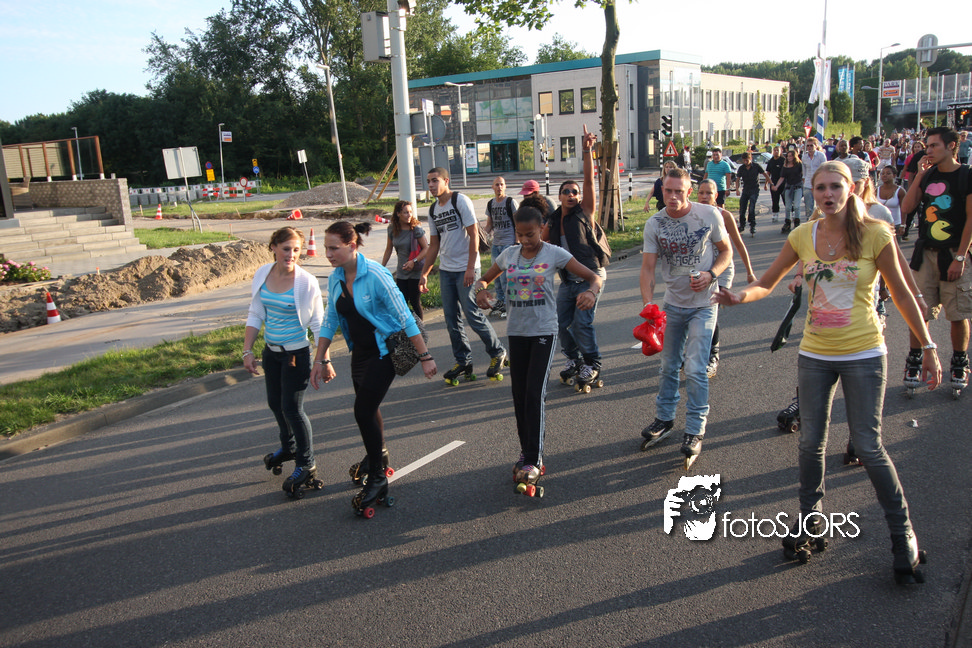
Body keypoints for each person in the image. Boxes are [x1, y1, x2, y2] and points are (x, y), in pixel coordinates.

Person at [714, 161, 941, 584]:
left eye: (836, 186)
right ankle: (810, 521)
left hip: (864, 354)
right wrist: (738, 297)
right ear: (814, 192)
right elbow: (766, 282)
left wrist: (927, 346)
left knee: (868, 447)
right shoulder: (803, 236)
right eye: (821, 187)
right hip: (815, 354)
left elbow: (902, 293)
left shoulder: (875, 233)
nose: (828, 194)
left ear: (851, 189)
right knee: (810, 444)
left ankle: (902, 534)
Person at [473, 206, 602, 494]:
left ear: (542, 228)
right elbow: (484, 279)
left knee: (534, 394)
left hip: (543, 331)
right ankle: (525, 452)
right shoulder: (509, 255)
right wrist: (481, 291)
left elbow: (594, 277)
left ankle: (535, 458)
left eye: (530, 234)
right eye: (519, 234)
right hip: (517, 332)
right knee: (519, 396)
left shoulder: (554, 253)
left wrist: (591, 292)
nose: (524, 240)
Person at [311, 221, 437, 516]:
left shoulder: (376, 275)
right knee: (368, 409)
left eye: (333, 248)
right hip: (360, 353)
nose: (327, 254)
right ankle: (378, 454)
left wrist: (425, 356)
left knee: (363, 410)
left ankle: (378, 478)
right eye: (326, 248)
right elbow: (330, 319)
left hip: (386, 351)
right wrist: (320, 358)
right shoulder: (336, 277)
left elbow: (405, 317)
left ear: (352, 246)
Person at [639, 168, 731, 468]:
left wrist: (711, 274)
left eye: (679, 191)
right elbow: (648, 269)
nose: (673, 196)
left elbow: (726, 252)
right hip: (673, 305)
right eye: (668, 191)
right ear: (661, 191)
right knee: (668, 365)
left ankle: (694, 429)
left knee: (694, 368)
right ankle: (664, 418)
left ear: (689, 192)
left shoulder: (708, 215)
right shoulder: (654, 223)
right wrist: (648, 305)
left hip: (705, 304)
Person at [243, 227, 324, 497]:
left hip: (296, 355)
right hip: (271, 353)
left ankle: (306, 462)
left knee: (292, 409)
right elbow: (256, 312)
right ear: (274, 247)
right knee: (275, 404)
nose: (291, 255)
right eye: (286, 249)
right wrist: (247, 351)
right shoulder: (262, 274)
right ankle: (289, 448)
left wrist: (323, 359)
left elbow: (317, 323)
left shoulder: (306, 282)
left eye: (296, 250)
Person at [419, 166, 508, 384]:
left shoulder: (460, 201)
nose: (431, 185)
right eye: (428, 181)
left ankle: (497, 352)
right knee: (451, 319)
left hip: (466, 269)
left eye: (435, 180)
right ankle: (463, 361)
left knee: (472, 314)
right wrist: (425, 273)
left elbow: (474, 234)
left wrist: (470, 268)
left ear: (446, 181)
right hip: (447, 270)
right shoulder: (433, 209)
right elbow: (434, 245)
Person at [900, 126, 972, 393]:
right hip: (926, 254)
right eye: (927, 146)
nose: (928, 151)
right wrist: (919, 175)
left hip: (954, 253)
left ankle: (959, 361)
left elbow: (971, 219)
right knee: (920, 311)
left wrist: (960, 257)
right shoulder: (928, 175)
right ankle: (915, 358)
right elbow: (907, 207)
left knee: (957, 313)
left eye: (933, 146)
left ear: (951, 146)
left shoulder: (966, 175)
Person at [542, 125, 608, 390]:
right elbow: (538, 244)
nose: (571, 195)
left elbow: (590, 182)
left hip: (591, 277)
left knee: (581, 324)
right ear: (559, 197)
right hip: (568, 282)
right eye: (566, 192)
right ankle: (574, 360)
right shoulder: (553, 220)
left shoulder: (585, 212)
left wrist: (587, 151)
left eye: (574, 192)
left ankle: (592, 363)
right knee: (559, 324)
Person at [698, 179, 757, 378]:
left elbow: (739, 245)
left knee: (711, 308)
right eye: (701, 192)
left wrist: (749, 272)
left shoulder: (724, 216)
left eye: (709, 193)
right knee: (694, 310)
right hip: (702, 269)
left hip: (722, 270)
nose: (704, 196)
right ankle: (690, 352)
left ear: (716, 196)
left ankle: (712, 355)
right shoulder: (692, 214)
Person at [381, 200, 428, 320]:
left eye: (410, 212)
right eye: (406, 212)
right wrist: (381, 267)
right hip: (402, 272)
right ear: (398, 214)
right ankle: (406, 327)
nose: (409, 215)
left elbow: (426, 248)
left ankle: (420, 328)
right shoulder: (392, 229)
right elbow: (388, 249)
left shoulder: (415, 229)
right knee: (402, 302)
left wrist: (414, 261)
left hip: (415, 271)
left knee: (415, 302)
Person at [482, 176, 518, 317]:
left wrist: (516, 243)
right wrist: (481, 237)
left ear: (505, 186)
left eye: (502, 184)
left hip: (508, 244)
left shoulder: (510, 202)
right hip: (496, 244)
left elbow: (517, 224)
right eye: (496, 184)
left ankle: (509, 306)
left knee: (505, 278)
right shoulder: (491, 204)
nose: (499, 187)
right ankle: (501, 303)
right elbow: (489, 225)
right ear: (493, 187)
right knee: (495, 277)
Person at [733, 150, 770, 236]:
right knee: (742, 208)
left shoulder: (756, 166)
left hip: (754, 189)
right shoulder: (742, 168)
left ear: (751, 159)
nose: (745, 162)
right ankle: (742, 225)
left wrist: (767, 184)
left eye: (747, 160)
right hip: (745, 190)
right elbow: (737, 179)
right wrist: (737, 189)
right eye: (744, 160)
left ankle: (752, 225)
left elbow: (766, 175)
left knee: (752, 208)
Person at [775, 149, 803, 234]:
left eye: (791, 156)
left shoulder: (799, 164)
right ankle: (787, 222)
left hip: (797, 186)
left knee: (797, 206)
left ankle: (797, 222)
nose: (789, 157)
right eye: (788, 156)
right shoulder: (785, 166)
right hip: (788, 187)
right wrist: (776, 186)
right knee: (788, 207)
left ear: (794, 156)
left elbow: (803, 175)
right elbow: (782, 177)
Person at [876, 166, 907, 238]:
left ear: (894, 175)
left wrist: (903, 225)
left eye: (888, 173)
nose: (884, 175)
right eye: (882, 173)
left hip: (895, 225)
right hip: (880, 225)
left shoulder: (900, 191)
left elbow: (904, 210)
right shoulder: (876, 190)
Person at [801, 139, 828, 221]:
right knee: (809, 207)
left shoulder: (821, 156)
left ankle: (822, 222)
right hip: (808, 184)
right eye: (807, 146)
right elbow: (804, 172)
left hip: (819, 183)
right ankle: (809, 223)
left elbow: (825, 169)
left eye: (811, 145)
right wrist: (804, 181)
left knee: (821, 206)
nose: (809, 147)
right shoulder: (804, 157)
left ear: (816, 146)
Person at [767, 146, 786, 223]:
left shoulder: (783, 160)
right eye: (774, 150)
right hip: (773, 183)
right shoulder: (771, 161)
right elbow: (768, 173)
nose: (776, 152)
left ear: (781, 151)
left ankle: (791, 213)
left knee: (786, 199)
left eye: (777, 150)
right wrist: (766, 183)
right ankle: (775, 214)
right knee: (775, 200)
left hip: (783, 183)